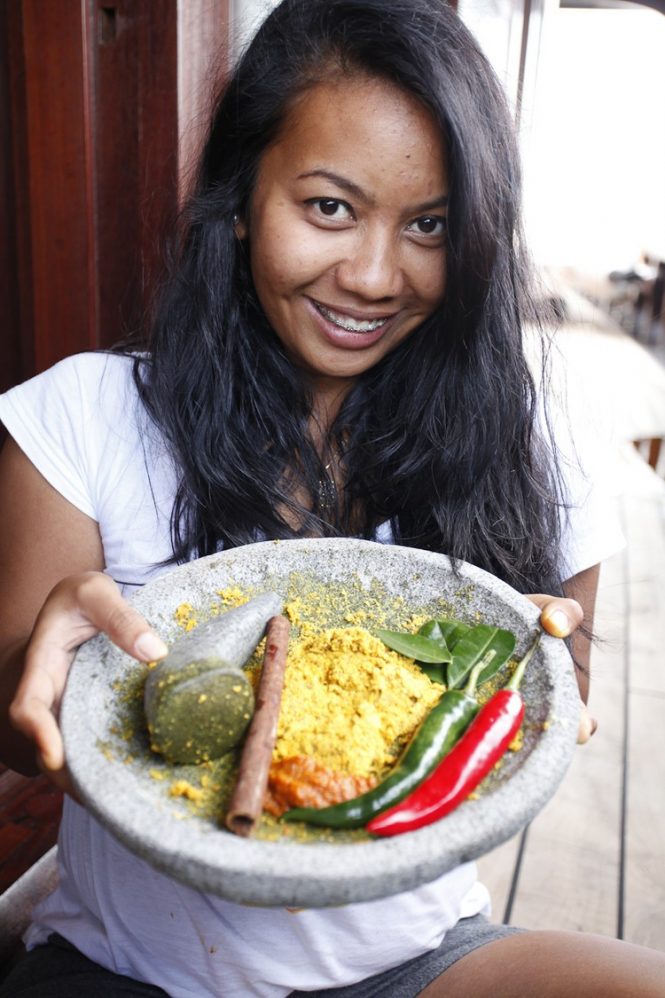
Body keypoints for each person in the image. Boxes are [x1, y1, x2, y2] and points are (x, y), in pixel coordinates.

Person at [0, 0, 662, 994]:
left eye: (429, 223)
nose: (370, 275)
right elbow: (20, 733)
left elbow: (542, 707)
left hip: (414, 957)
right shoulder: (78, 419)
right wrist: (31, 678)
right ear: (238, 197)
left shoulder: (541, 449)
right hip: (128, 967)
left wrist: (538, 674)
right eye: (328, 207)